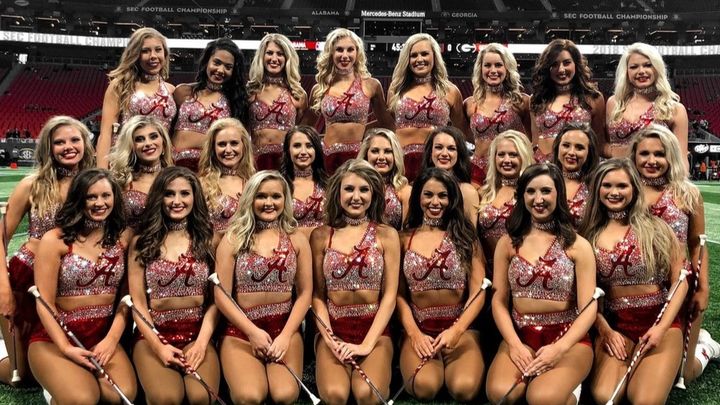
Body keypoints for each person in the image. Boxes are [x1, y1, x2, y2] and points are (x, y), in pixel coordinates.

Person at [486, 163, 596, 405]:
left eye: (546, 191)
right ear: (522, 196)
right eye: (531, 191)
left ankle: (571, 392)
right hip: (521, 336)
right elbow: (499, 301)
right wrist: (514, 345)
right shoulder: (507, 243)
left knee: (541, 399)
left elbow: (588, 308)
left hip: (568, 339)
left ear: (559, 194)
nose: (538, 199)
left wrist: (560, 349)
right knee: (500, 394)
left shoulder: (577, 245)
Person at [580, 158, 686, 404]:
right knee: (605, 396)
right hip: (616, 326)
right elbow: (583, 295)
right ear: (597, 189)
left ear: (634, 188)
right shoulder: (586, 235)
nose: (614, 192)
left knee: (644, 400)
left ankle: (702, 350)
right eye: (607, 185)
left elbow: (680, 281)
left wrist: (661, 328)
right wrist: (605, 331)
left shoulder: (657, 228)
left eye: (622, 186)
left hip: (659, 322)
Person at [28, 169, 137, 404]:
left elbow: (126, 300)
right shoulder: (54, 240)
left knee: (120, 396)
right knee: (84, 399)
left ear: (115, 197)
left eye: (106, 196)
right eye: (91, 197)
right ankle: (56, 392)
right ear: (78, 199)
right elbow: (44, 303)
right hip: (54, 338)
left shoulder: (124, 238)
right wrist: (65, 348)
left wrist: (111, 340)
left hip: (102, 335)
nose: (100, 203)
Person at [0, 116, 94, 385]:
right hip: (27, 280)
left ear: (86, 144)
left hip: (73, 282)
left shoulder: (95, 184)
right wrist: (3, 289)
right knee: (22, 377)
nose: (68, 146)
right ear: (48, 148)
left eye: (75, 140)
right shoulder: (32, 184)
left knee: (71, 361)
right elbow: (1, 237)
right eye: (59, 142)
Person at [629, 125, 719, 383]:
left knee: (683, 375)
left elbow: (697, 244)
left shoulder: (687, 193)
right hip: (635, 287)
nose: (651, 160)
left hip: (678, 286)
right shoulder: (625, 190)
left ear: (671, 156)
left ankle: (707, 348)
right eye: (644, 153)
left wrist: (703, 288)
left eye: (660, 154)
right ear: (634, 156)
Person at [214, 171, 312, 404]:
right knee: (249, 396)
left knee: (284, 395)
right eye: (261, 196)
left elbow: (305, 293)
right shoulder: (233, 239)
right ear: (250, 198)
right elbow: (221, 295)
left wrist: (286, 336)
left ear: (285, 199)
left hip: (283, 329)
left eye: (276, 196)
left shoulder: (296, 239)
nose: (269, 203)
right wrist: (252, 332)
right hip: (241, 331)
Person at [309, 159, 400, 404]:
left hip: (375, 331)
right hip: (333, 329)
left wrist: (367, 344)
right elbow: (317, 296)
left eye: (364, 190)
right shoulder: (320, 236)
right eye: (349, 189)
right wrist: (330, 339)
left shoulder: (387, 235)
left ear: (374, 193)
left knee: (367, 395)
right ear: (337, 192)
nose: (356, 197)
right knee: (335, 396)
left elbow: (390, 296)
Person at [127, 166, 220, 404]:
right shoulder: (142, 242)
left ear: (195, 197)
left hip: (197, 335)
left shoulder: (209, 240)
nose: (176, 201)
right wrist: (158, 346)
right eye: (169, 194)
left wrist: (201, 344)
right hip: (153, 336)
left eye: (184, 193)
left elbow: (216, 301)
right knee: (167, 398)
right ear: (159, 197)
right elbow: (138, 303)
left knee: (200, 397)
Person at [397, 168, 486, 401]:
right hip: (419, 330)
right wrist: (414, 334)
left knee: (464, 389)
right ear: (418, 197)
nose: (435, 202)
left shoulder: (466, 238)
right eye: (428, 195)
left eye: (442, 195)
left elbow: (478, 291)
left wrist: (457, 330)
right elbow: (398, 295)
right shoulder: (403, 239)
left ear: (452, 199)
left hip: (460, 330)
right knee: (425, 387)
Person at [304, 28, 393, 175]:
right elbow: (305, 128)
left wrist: (364, 130)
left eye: (350, 50)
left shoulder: (371, 85)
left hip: (359, 157)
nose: (345, 56)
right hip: (327, 157)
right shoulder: (319, 88)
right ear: (331, 53)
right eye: (339, 50)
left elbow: (387, 123)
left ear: (357, 53)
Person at [387, 33, 465, 182]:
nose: (419, 59)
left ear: (434, 56)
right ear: (407, 59)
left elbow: (459, 133)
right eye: (413, 55)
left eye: (424, 54)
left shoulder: (450, 91)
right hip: (400, 163)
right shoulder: (395, 90)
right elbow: (389, 125)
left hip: (436, 163)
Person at [97, 28, 176, 168]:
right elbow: (105, 134)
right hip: (126, 163)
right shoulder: (120, 86)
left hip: (160, 166)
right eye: (145, 51)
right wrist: (102, 173)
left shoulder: (171, 90)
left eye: (158, 50)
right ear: (135, 54)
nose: (153, 56)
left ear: (165, 53)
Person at [173, 38, 249, 172]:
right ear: (206, 62)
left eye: (228, 67)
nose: (220, 70)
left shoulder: (236, 102)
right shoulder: (182, 92)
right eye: (217, 63)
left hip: (211, 170)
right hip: (175, 165)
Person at [607, 43, 689, 163]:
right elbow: (602, 146)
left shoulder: (675, 109)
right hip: (618, 173)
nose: (641, 71)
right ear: (626, 72)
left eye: (648, 65)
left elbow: (681, 160)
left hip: (655, 173)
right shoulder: (614, 103)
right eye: (634, 67)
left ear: (657, 68)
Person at [465, 43, 531, 187]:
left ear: (507, 68)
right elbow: (465, 136)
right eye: (487, 65)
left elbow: (530, 140)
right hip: (477, 170)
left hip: (510, 169)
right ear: (480, 69)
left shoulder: (521, 102)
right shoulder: (470, 104)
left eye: (498, 65)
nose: (493, 70)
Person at [530, 39, 605, 163]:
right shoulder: (536, 99)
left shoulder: (593, 98)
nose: (561, 69)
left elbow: (598, 144)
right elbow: (534, 142)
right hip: (543, 168)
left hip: (580, 168)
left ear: (576, 64)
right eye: (554, 64)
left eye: (566, 63)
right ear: (547, 68)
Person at [477, 130, 534, 278]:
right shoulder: (483, 193)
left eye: (513, 155)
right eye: (501, 154)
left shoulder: (533, 193)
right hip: (487, 271)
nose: (506, 160)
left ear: (524, 156)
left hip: (522, 272)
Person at [247, 34, 308, 171]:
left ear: (287, 58)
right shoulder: (250, 92)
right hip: (255, 162)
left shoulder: (298, 94)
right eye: (269, 53)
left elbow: (302, 134)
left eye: (280, 54)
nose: (274, 59)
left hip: (287, 163)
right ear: (261, 56)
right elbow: (242, 132)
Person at [108, 115, 174, 231]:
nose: (148, 143)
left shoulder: (177, 179)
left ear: (163, 143)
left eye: (153, 137)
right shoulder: (120, 181)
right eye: (139, 139)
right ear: (131, 147)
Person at [198, 118, 255, 235]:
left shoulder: (256, 182)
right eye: (222, 144)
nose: (228, 150)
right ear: (213, 149)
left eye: (234, 143)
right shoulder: (201, 184)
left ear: (244, 145)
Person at [418, 126, 479, 226]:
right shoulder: (418, 187)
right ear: (430, 152)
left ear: (459, 154)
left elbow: (471, 233)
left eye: (451, 149)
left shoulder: (467, 192)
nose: (444, 153)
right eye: (439, 147)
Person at [357, 128, 411, 230]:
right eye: (375, 151)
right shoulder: (353, 187)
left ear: (395, 156)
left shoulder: (404, 191)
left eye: (387, 151)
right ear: (366, 155)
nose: (381, 157)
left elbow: (407, 234)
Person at [280, 125, 328, 239]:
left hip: (323, 247)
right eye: (297, 146)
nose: (303, 152)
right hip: (290, 246)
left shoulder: (329, 185)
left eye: (309, 146)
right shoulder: (279, 185)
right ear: (288, 150)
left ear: (316, 150)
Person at [550, 122, 600, 228]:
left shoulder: (596, 186)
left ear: (589, 153)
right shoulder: (544, 179)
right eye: (566, 145)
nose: (571, 152)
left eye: (579, 147)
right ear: (557, 148)